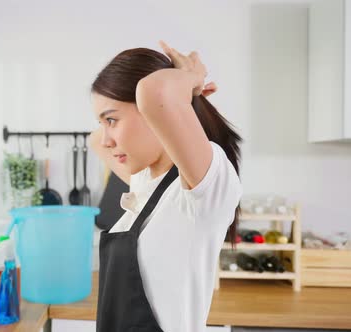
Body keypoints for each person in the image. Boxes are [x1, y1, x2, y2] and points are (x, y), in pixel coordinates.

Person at [89, 40, 243, 332]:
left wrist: (191, 80)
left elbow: (153, 91)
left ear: (152, 111)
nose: (106, 138)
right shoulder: (146, 183)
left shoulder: (201, 191)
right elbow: (95, 141)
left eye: (112, 120)